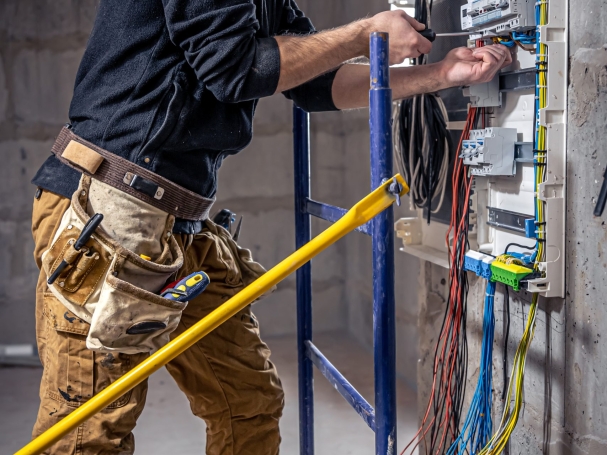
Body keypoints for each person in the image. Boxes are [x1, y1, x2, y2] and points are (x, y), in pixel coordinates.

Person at [30, 1, 512, 454]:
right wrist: (365, 33)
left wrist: (442, 74)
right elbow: (234, 68)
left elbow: (318, 86)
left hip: (178, 222)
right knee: (89, 434)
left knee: (248, 404)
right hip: (108, 211)